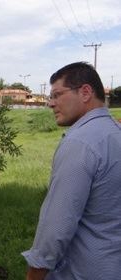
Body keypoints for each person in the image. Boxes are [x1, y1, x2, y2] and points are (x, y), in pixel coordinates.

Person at [22, 62, 121, 280]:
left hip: (84, 271)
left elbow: (56, 226)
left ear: (85, 92)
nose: (50, 103)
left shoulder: (81, 142)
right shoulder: (115, 133)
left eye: (57, 95)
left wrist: (35, 273)